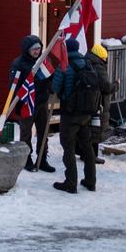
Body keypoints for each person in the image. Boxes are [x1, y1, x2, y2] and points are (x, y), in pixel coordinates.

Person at [50, 38, 98, 194]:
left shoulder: (64, 65)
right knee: (87, 146)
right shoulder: (88, 64)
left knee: (68, 148)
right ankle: (91, 181)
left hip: (70, 113)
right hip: (86, 112)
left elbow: (55, 87)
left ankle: (71, 183)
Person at [9, 35, 56, 173]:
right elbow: (13, 85)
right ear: (26, 50)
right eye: (34, 49)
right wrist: (20, 98)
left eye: (39, 48)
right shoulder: (18, 63)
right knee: (26, 133)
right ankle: (26, 159)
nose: (37, 51)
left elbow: (50, 78)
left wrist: (54, 87)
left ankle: (42, 159)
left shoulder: (44, 61)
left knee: (43, 132)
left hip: (42, 102)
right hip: (26, 103)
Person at [78, 44, 118, 164]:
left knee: (86, 128)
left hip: (87, 101)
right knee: (96, 130)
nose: (106, 60)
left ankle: (83, 153)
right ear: (101, 57)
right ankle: (92, 156)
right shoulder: (99, 67)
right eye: (105, 58)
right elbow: (106, 87)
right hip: (98, 103)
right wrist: (116, 84)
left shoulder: (86, 62)